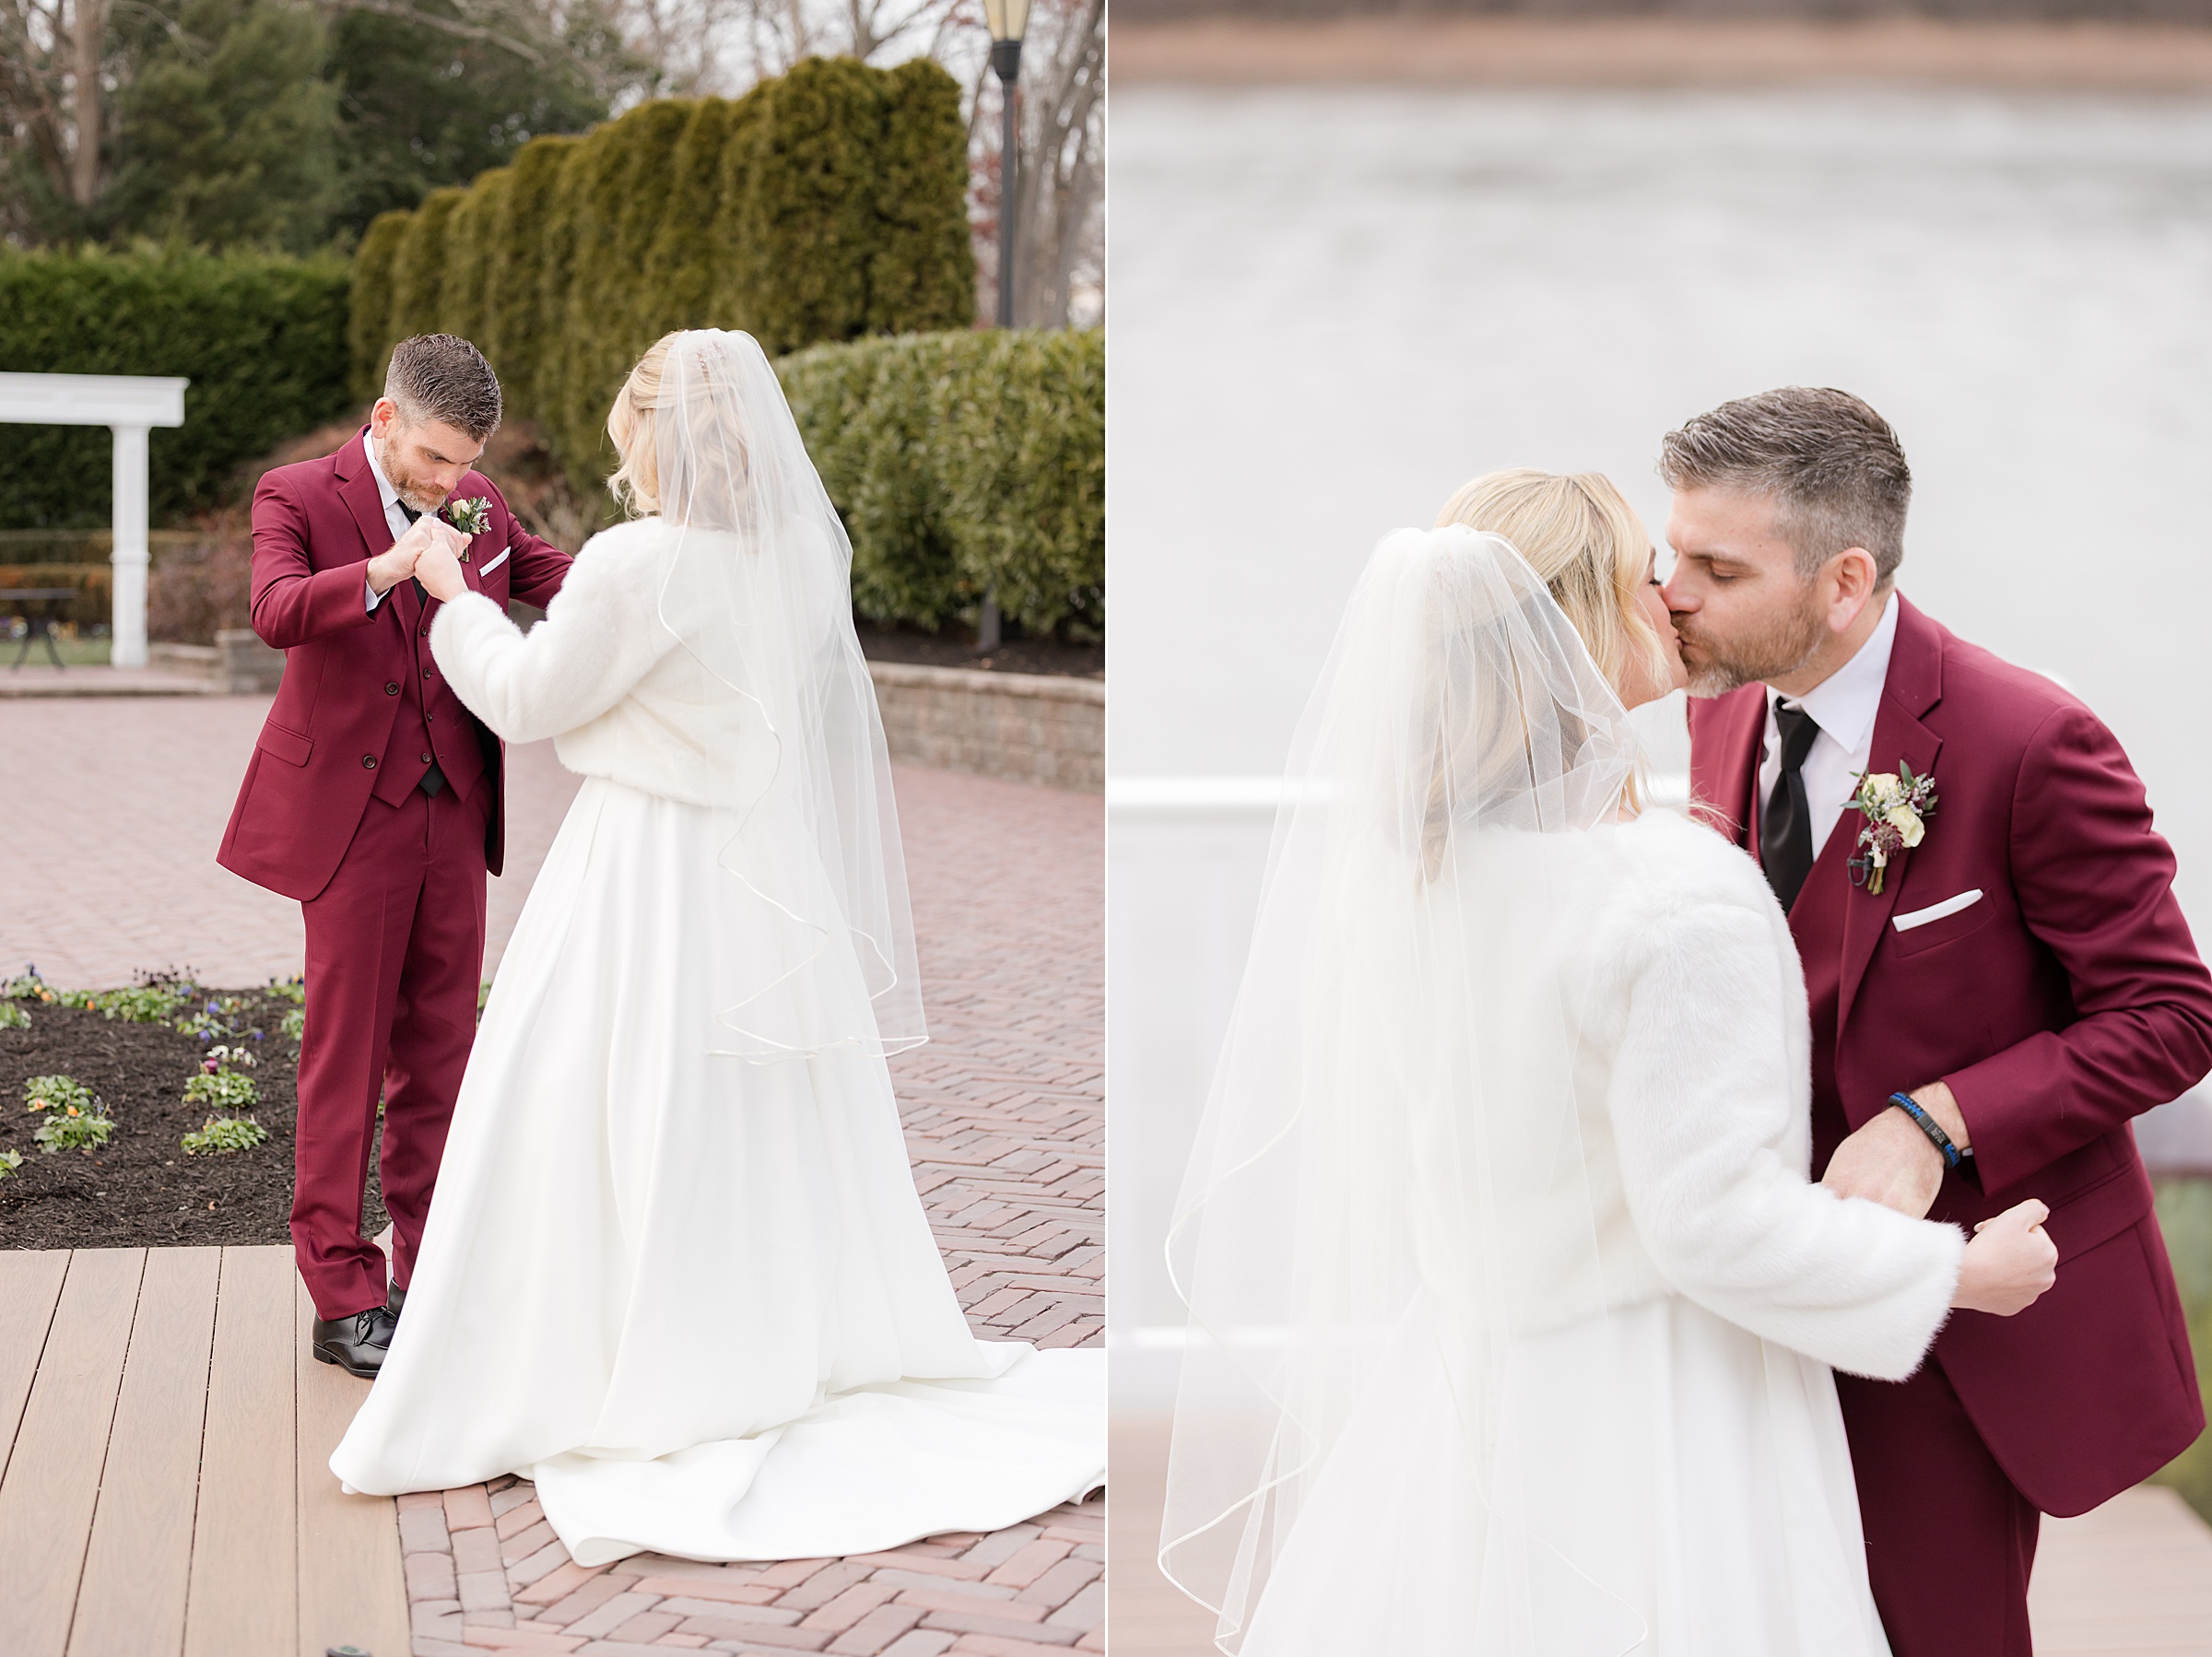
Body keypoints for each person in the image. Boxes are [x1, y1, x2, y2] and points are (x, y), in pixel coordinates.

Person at [1158, 471, 2058, 1655]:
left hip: (1480, 1383)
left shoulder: (1423, 864)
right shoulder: (1672, 897)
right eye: (1650, 575)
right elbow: (1712, 1224)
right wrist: (1949, 1272)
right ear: (1583, 625)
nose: (1677, 597)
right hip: (1666, 1409)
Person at [330, 329, 1103, 1566]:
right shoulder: (799, 551)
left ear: (653, 437)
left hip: (647, 869)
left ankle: (631, 1356)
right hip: (767, 875)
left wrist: (448, 599)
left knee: (606, 1102)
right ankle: (773, 1337)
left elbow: (528, 701)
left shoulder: (641, 561)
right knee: (767, 1114)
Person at [1665, 389, 2212, 1657]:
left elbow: (2172, 1013)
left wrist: (1938, 1122)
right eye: (1671, 554)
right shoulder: (1718, 703)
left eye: (1716, 567)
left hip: (1949, 1323)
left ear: (1844, 578)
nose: (1671, 594)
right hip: (1770, 1282)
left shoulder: (2031, 741)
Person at [218, 334, 573, 1376]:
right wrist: (390, 564)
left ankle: (426, 1274)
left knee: (441, 1055)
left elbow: (563, 581)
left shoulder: (484, 503)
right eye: (431, 459)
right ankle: (341, 1295)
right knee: (346, 1057)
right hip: (351, 817)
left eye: (464, 463)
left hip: (456, 809)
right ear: (384, 420)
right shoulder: (294, 493)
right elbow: (276, 610)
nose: (449, 482)